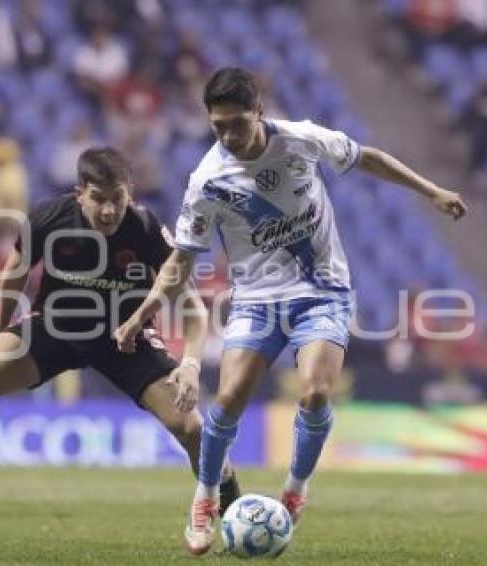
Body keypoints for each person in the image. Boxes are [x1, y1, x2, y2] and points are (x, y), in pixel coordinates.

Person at [115, 67, 468, 555]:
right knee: (230, 397)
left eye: (236, 123)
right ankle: (205, 498)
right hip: (257, 300)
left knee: (316, 393)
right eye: (218, 126)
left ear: (259, 112)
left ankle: (296, 490)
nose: (228, 135)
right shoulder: (208, 180)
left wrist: (432, 191)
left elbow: (369, 159)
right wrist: (143, 312)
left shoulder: (300, 139)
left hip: (321, 291)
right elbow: (180, 261)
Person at [0, 147, 240, 543]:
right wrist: (3, 334)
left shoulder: (145, 229)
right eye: (99, 199)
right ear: (79, 193)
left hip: (125, 337)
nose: (108, 210)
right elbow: (13, 277)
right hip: (55, 327)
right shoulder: (48, 219)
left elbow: (191, 307)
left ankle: (233, 514)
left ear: (130, 193)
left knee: (189, 426)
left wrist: (190, 364)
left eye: (117, 199)